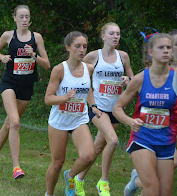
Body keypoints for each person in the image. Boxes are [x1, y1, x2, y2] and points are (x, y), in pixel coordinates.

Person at [0, 5, 50, 179]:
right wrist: (2, 57)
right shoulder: (8, 35)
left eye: (27, 17)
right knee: (15, 122)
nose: (24, 20)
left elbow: (47, 64)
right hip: (9, 83)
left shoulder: (36, 37)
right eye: (21, 16)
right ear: (14, 18)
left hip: (26, 85)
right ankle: (16, 167)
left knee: (9, 123)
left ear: (30, 19)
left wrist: (34, 56)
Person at [113, 33, 176, 196]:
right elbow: (117, 108)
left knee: (165, 192)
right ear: (150, 52)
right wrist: (129, 121)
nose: (166, 51)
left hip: (167, 141)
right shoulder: (140, 79)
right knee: (152, 189)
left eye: (168, 47)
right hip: (142, 139)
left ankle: (135, 181)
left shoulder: (175, 79)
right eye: (161, 47)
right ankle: (136, 180)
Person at [75, 22, 134, 196]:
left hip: (115, 108)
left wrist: (127, 80)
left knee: (98, 147)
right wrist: (90, 103)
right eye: (112, 34)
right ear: (103, 37)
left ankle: (77, 179)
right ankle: (103, 182)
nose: (116, 37)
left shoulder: (123, 56)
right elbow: (81, 79)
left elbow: (132, 77)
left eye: (118, 33)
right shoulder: (93, 57)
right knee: (113, 141)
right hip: (98, 108)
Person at [44, 31, 98, 196]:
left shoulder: (89, 68)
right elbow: (48, 99)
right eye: (78, 46)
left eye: (85, 47)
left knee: (89, 156)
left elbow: (87, 87)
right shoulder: (59, 70)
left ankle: (71, 175)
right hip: (59, 120)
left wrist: (93, 105)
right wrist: (64, 97)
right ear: (68, 47)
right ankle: (49, 193)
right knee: (58, 163)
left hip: (79, 119)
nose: (82, 50)